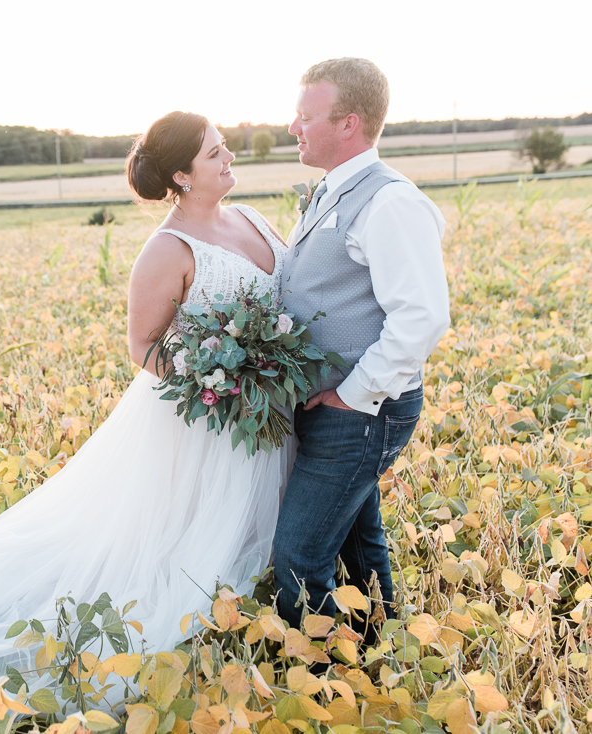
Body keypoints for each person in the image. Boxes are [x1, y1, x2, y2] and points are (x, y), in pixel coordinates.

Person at [0, 111, 293, 729]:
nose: (230, 157)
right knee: (178, 552)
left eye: (224, 147)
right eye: (216, 154)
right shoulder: (167, 249)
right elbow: (144, 346)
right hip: (205, 422)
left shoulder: (254, 218)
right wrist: (219, 381)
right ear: (183, 175)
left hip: (270, 411)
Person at [274, 58, 450, 641]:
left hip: (361, 411)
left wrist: (354, 395)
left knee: (298, 557)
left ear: (348, 123)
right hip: (338, 407)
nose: (292, 127)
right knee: (356, 539)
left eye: (305, 116)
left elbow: (421, 316)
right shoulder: (333, 191)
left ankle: (324, 676)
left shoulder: (391, 202)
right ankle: (381, 645)